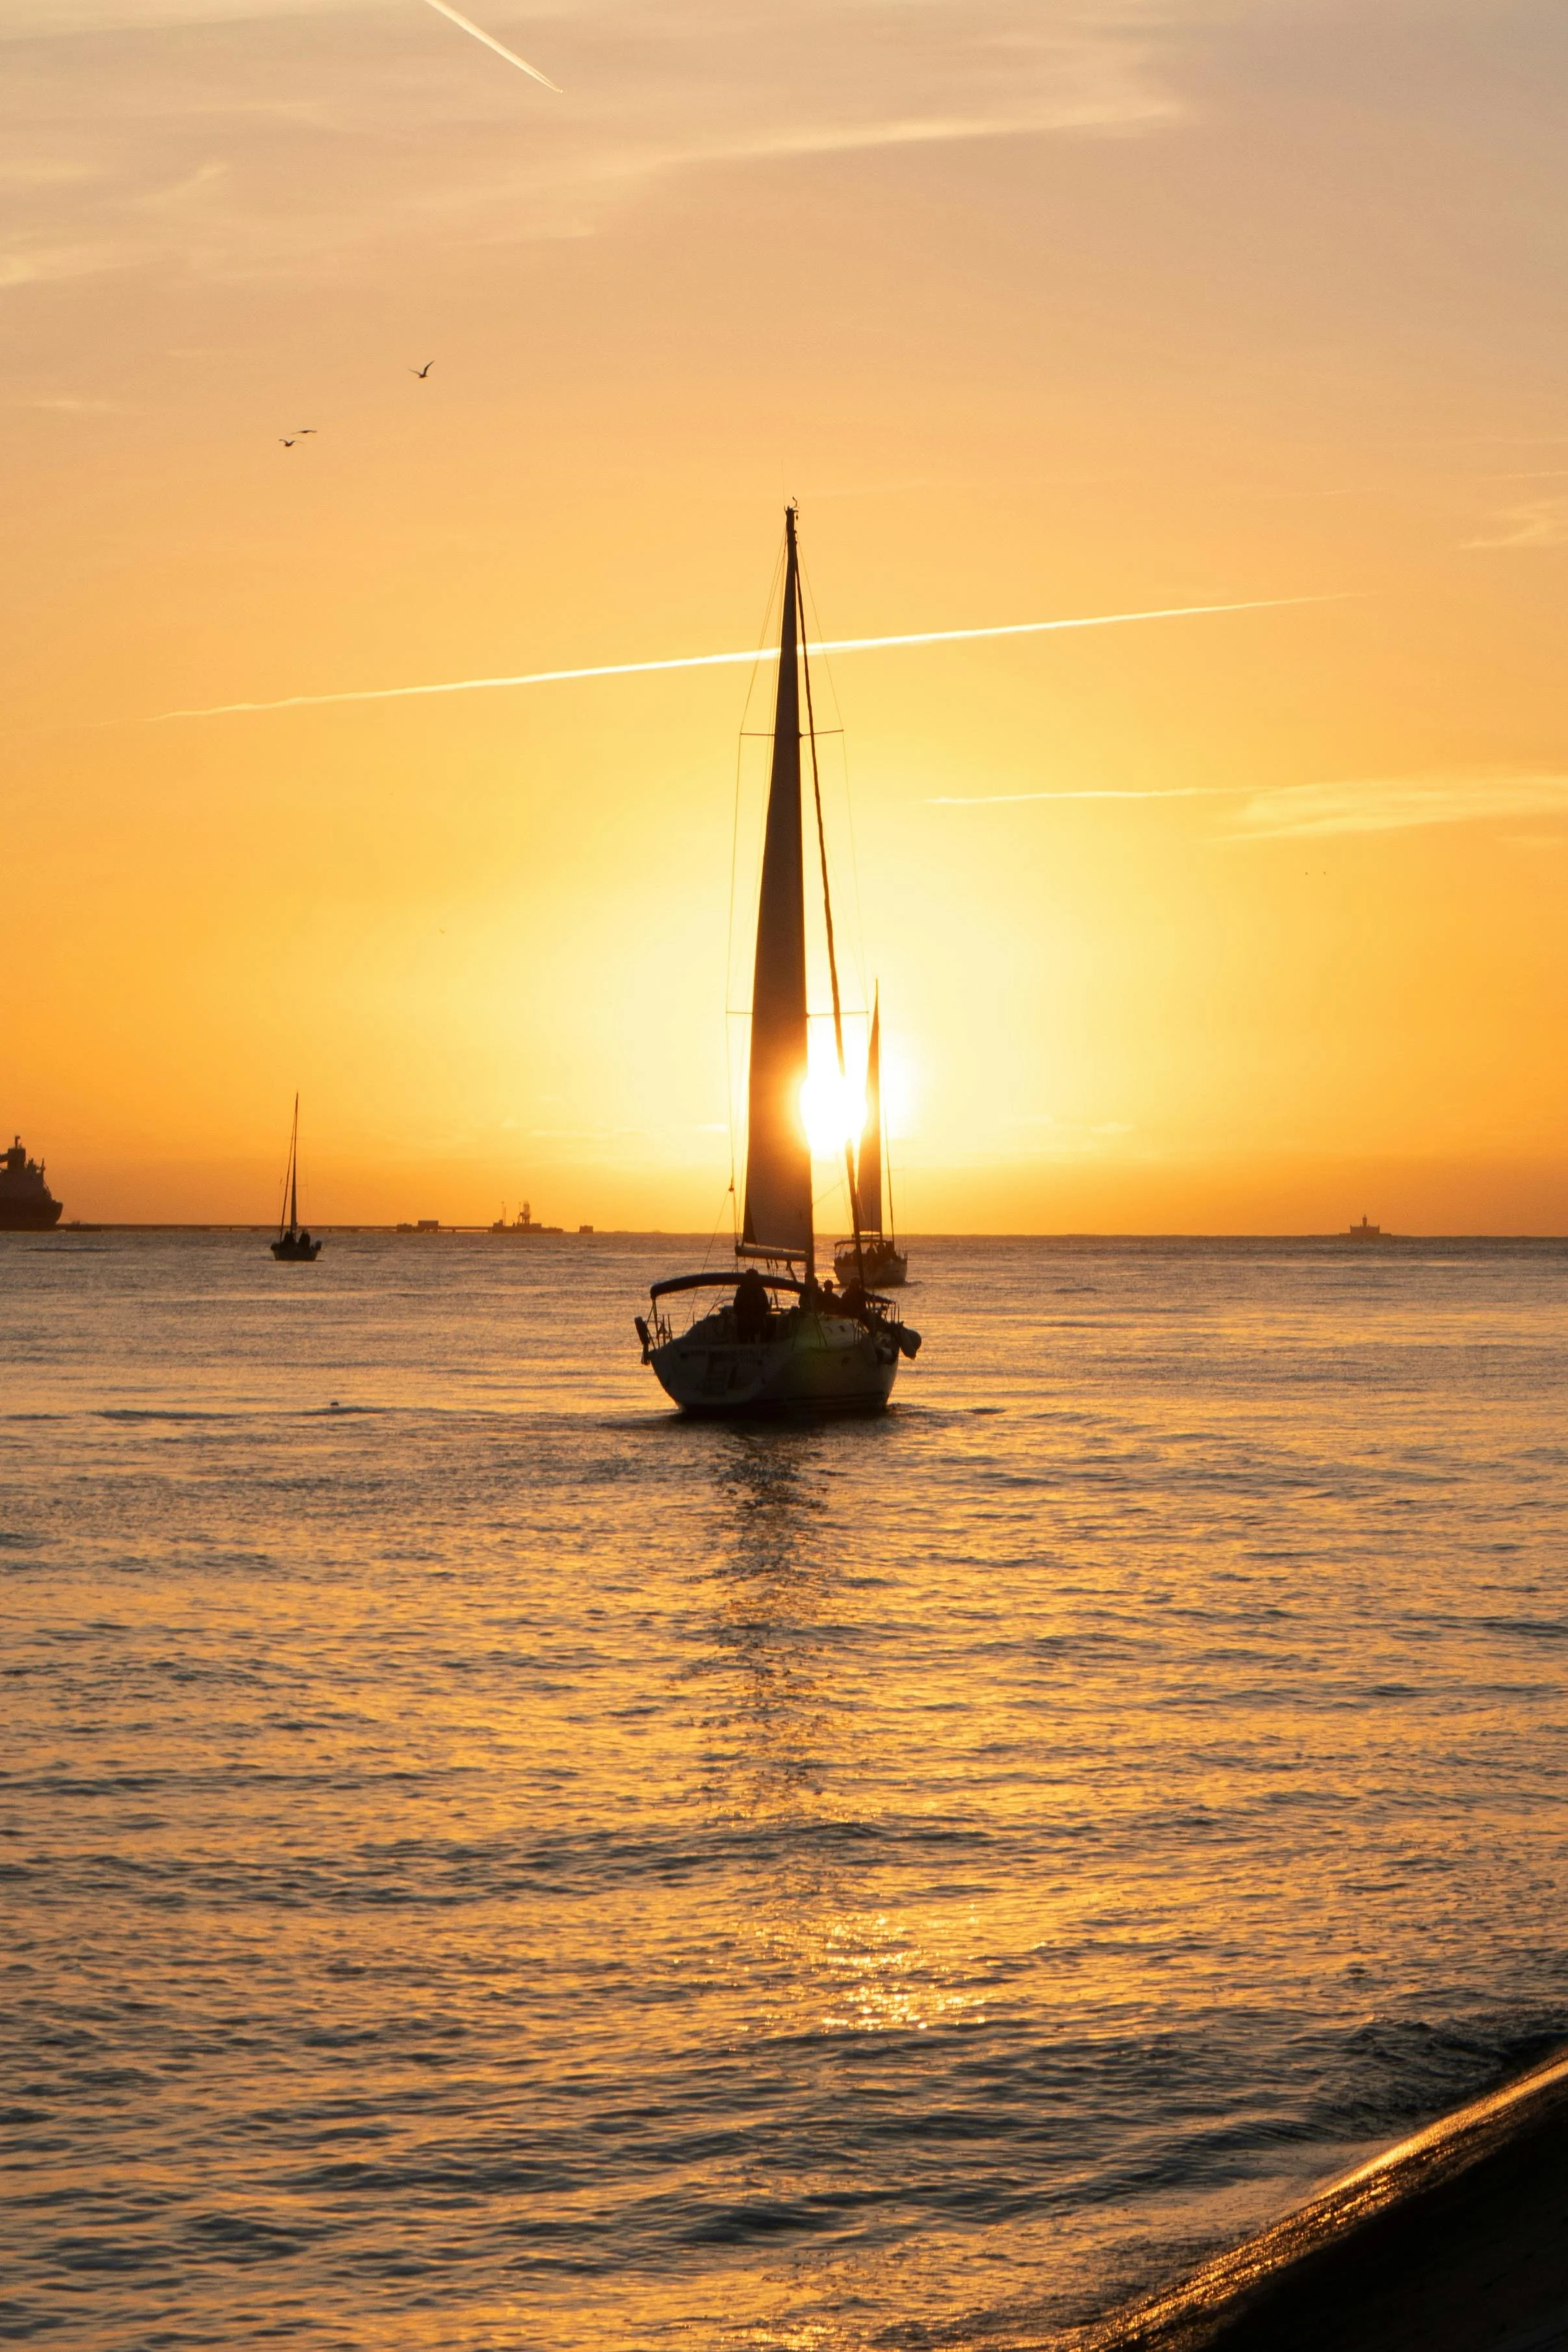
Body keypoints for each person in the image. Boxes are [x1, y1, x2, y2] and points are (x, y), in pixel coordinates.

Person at [733, 1266, 771, 1342]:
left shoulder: (741, 1290)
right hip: (756, 1322)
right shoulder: (760, 1290)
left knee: (743, 1332)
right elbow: (766, 1306)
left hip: (744, 1323)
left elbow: (736, 1307)